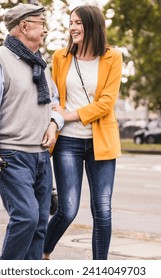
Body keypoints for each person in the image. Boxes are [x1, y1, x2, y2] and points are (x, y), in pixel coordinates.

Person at [0, 3, 63, 260]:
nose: (45, 29)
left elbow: (55, 103)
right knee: (26, 216)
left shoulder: (41, 65)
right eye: (41, 23)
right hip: (12, 155)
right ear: (25, 26)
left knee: (39, 225)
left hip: (41, 156)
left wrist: (54, 122)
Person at [43, 4, 123, 260]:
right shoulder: (60, 57)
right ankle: (42, 252)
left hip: (101, 142)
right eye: (71, 23)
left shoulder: (113, 57)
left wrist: (69, 114)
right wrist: (57, 120)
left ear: (93, 26)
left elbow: (106, 103)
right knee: (67, 209)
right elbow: (54, 98)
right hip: (68, 142)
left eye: (79, 23)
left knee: (102, 210)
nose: (73, 27)